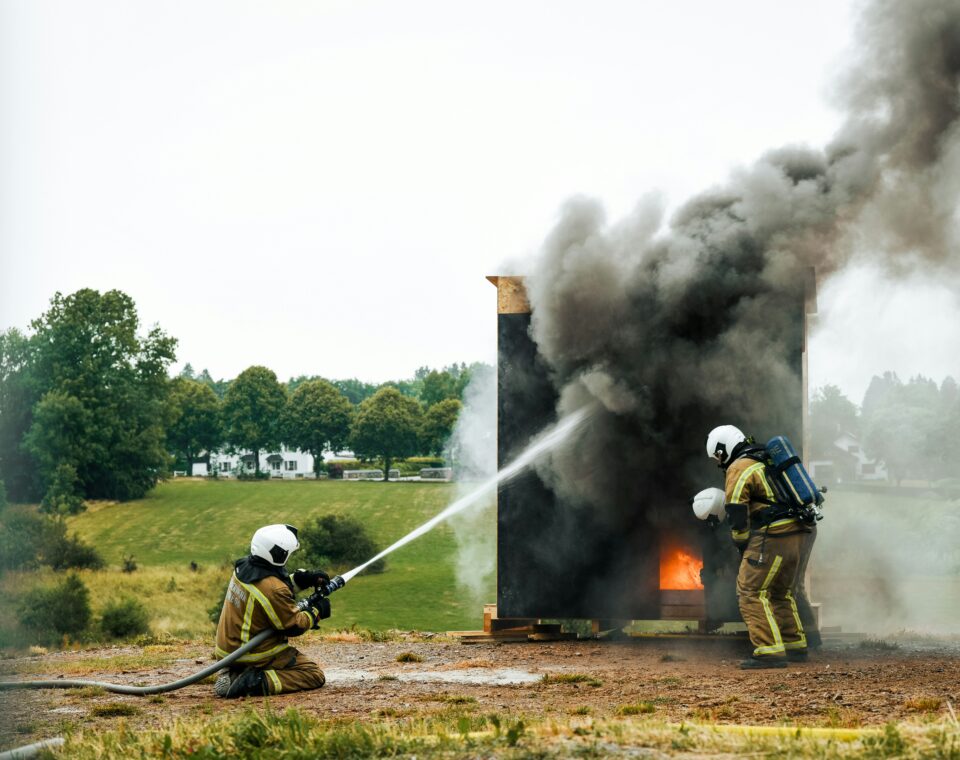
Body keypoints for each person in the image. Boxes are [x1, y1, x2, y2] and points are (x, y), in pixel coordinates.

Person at [705, 425, 811, 669]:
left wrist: (741, 543)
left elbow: (736, 509)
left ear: (723, 448)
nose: (720, 463)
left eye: (718, 457)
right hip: (797, 532)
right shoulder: (765, 458)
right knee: (781, 592)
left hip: (772, 535)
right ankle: (795, 645)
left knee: (750, 592)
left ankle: (768, 651)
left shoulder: (738, 467)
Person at [213, 523, 331, 697]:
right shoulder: (274, 589)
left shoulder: (244, 568)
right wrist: (316, 612)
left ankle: (235, 672)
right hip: (253, 654)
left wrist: (301, 580)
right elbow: (293, 626)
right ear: (279, 555)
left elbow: (271, 593)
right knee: (313, 674)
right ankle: (255, 682)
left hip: (229, 651)